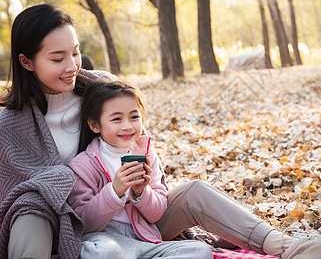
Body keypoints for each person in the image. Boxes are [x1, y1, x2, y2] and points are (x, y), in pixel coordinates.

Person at [0, 3, 321, 259]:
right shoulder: (10, 124)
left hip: (134, 217)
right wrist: (107, 193)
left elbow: (136, 142)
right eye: (57, 58)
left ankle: (288, 247)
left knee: (195, 191)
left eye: (76, 52)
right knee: (29, 212)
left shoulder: (100, 90)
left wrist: (141, 185)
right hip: (70, 223)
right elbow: (19, 194)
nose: (72, 66)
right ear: (26, 61)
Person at [67, 80, 212, 258]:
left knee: (200, 251)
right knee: (104, 253)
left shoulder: (147, 154)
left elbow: (157, 213)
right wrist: (114, 191)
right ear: (95, 125)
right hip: (105, 240)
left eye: (134, 117)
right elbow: (83, 223)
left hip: (144, 238)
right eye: (116, 119)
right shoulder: (83, 165)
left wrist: (141, 192)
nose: (127, 126)